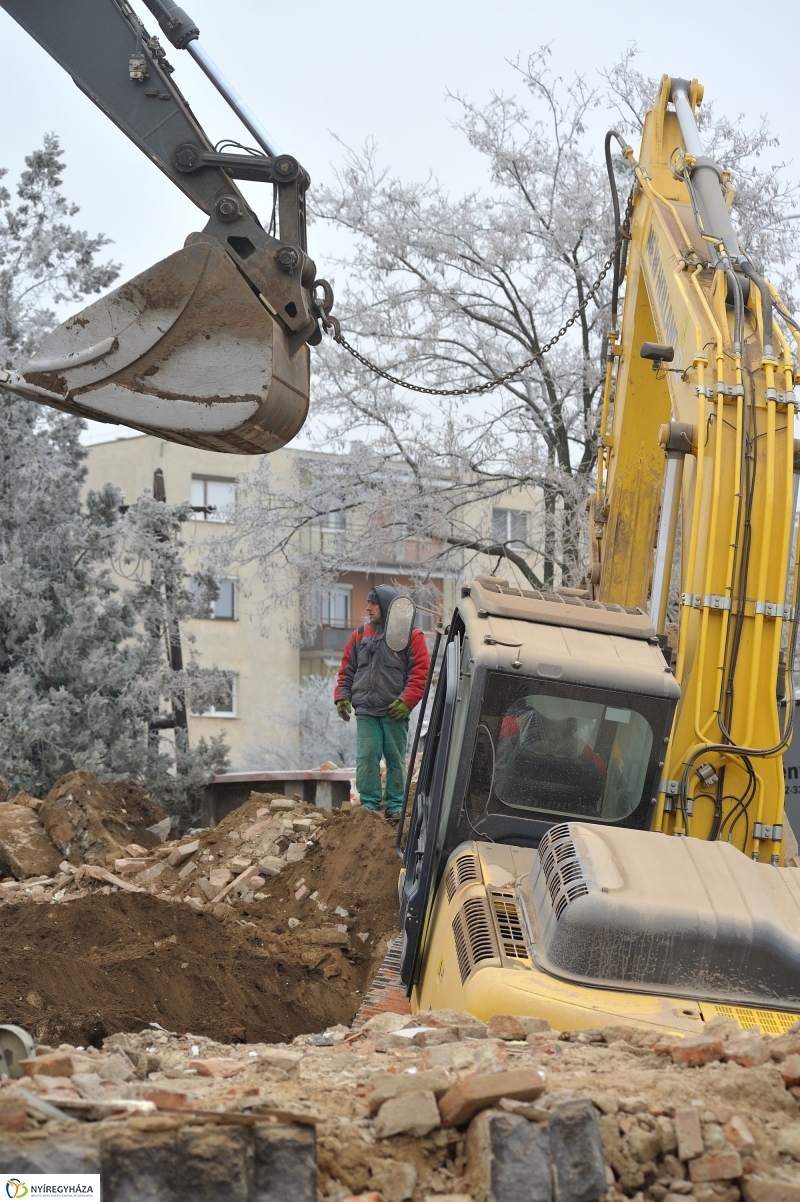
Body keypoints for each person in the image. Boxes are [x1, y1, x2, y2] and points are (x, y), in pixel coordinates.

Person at [334, 585, 430, 821]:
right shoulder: (359, 635)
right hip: (366, 710)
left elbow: (420, 673)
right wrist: (342, 696)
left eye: (373, 603)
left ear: (387, 606)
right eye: (368, 602)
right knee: (367, 757)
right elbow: (347, 670)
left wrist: (407, 701)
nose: (368, 608)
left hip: (394, 712)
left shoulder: (412, 636)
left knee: (395, 759)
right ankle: (368, 805)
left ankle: (395, 807)